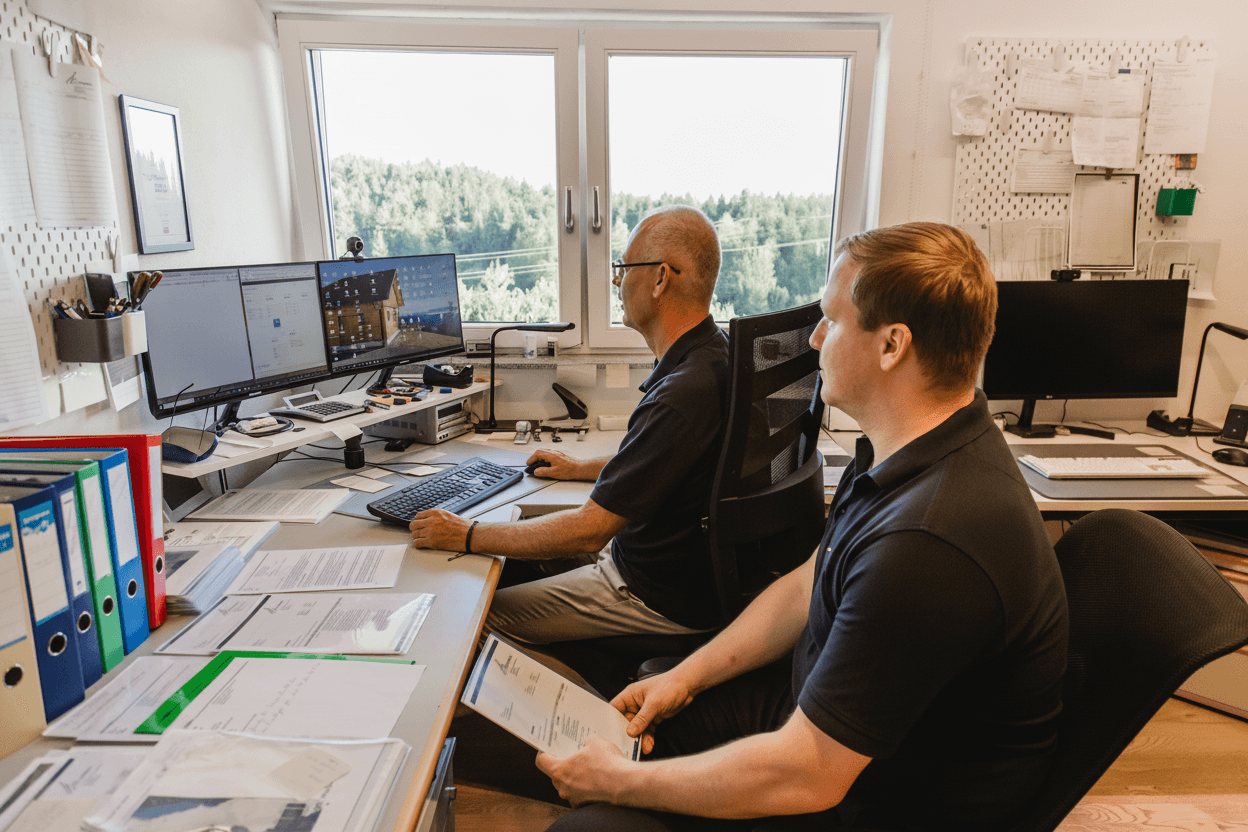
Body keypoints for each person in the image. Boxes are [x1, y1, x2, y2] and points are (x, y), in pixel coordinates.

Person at [535, 222, 1070, 831]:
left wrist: (618, 783)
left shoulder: (927, 544)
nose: (814, 338)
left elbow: (809, 774)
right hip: (813, 717)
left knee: (588, 823)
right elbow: (807, 583)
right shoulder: (905, 450)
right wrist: (684, 678)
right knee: (623, 730)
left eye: (831, 321)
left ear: (892, 345)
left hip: (872, 800)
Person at [409, 205, 731, 644]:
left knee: (470, 619)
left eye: (623, 269)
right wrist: (580, 468)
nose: (616, 282)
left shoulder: (681, 393)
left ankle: (586, 689)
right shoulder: (713, 354)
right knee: (510, 569)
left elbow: (589, 531)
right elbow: (660, 461)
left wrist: (466, 534)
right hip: (665, 570)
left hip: (652, 594)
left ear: (660, 279)